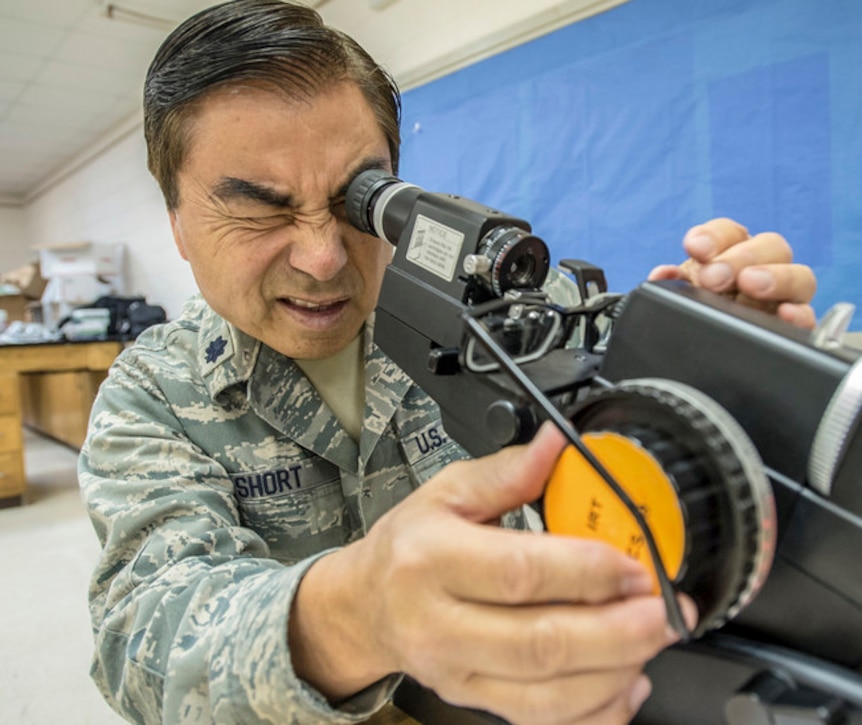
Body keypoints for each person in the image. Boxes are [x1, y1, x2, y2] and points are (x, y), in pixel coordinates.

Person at [79, 1, 818, 724]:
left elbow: (648, 441)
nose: (322, 255)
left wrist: (730, 376)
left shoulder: (502, 310)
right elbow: (145, 641)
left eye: (353, 200)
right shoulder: (153, 396)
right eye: (262, 209)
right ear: (176, 222)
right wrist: (359, 614)